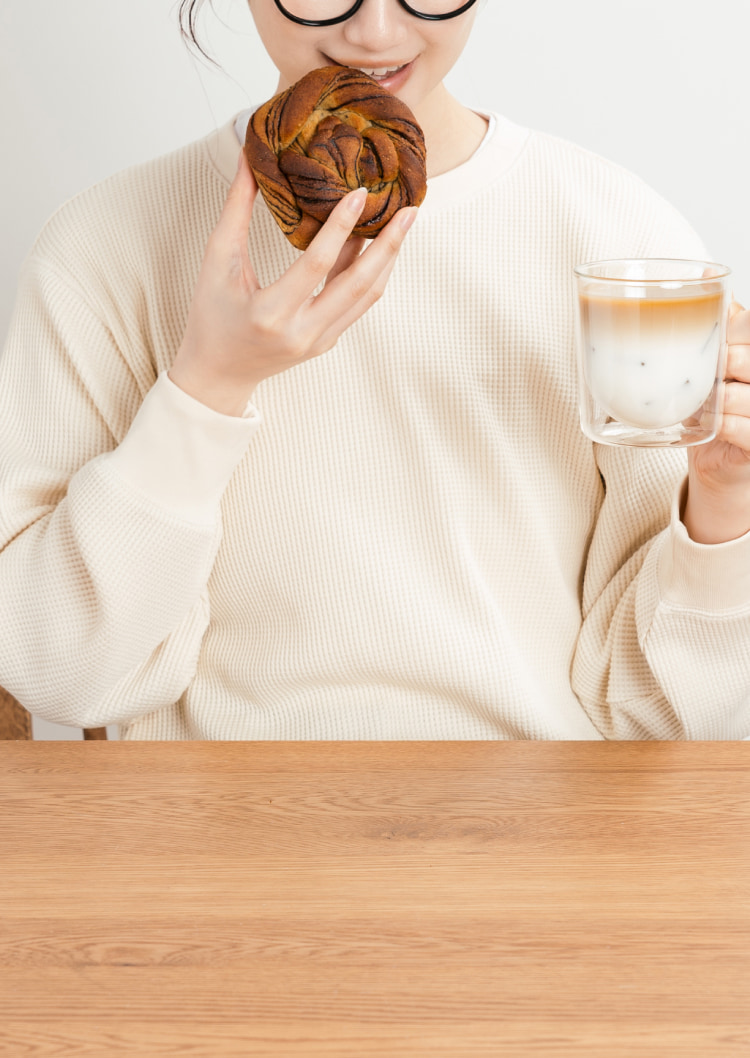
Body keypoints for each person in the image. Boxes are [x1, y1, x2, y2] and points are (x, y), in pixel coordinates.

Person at [1, 0, 749, 740]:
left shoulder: (618, 242)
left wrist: (723, 503)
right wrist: (207, 386)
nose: (376, 33)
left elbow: (663, 714)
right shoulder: (104, 245)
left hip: (534, 806)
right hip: (219, 810)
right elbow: (64, 674)